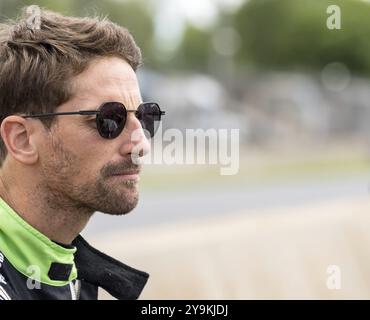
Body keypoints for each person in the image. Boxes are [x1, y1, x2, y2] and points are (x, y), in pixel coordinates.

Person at [0, 6, 165, 300]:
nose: (141, 144)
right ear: (22, 139)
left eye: (145, 116)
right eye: (109, 119)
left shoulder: (67, 270)